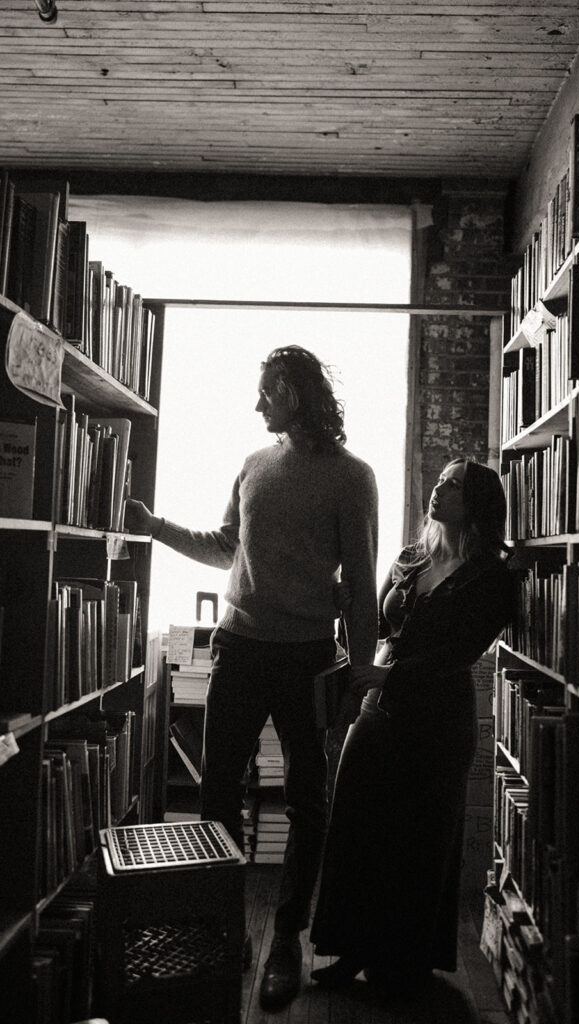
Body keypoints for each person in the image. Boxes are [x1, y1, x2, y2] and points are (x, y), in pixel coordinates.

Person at [125, 345, 378, 1011]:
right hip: (237, 649)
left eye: (268, 390)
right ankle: (223, 928)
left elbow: (359, 586)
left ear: (297, 391)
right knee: (215, 794)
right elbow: (221, 544)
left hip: (306, 658)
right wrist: (156, 529)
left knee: (307, 799)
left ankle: (287, 937)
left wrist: (356, 671)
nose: (258, 402)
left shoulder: (352, 477)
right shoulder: (251, 465)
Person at [309, 457, 516, 996]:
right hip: (378, 713)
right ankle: (351, 950)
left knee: (419, 842)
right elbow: (378, 623)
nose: (439, 490)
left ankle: (403, 964)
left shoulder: (491, 576)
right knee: (357, 828)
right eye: (440, 480)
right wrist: (344, 609)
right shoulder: (410, 556)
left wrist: (388, 673)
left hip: (437, 720)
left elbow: (459, 654)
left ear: (477, 504)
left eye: (454, 486)